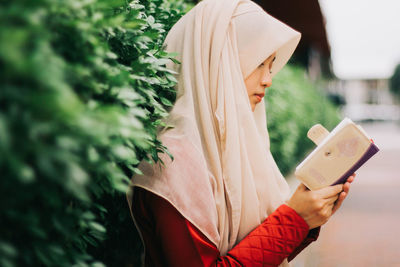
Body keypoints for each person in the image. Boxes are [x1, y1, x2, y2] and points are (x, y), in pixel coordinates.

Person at [127, 0, 355, 266]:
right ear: (217, 61)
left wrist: (309, 215)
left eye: (270, 65)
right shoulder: (171, 161)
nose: (268, 79)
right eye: (259, 62)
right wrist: (295, 219)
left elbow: (260, 253)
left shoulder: (234, 146)